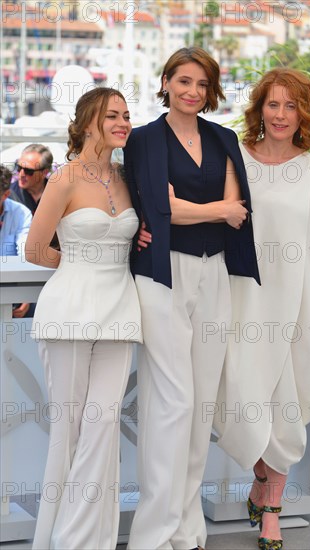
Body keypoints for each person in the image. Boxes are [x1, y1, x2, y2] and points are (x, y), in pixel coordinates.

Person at [123, 46, 260, 550]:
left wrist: (198, 209)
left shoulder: (223, 138)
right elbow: (162, 208)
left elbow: (237, 209)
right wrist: (211, 210)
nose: (192, 92)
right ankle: (154, 535)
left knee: (201, 403)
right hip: (163, 275)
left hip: (215, 275)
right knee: (173, 401)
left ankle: (187, 529)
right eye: (183, 81)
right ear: (165, 82)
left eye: (202, 85)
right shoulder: (142, 140)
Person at [214, 68, 310, 550]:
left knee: (286, 406)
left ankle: (272, 510)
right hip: (243, 301)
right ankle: (259, 479)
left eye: (290, 106)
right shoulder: (236, 161)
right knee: (240, 398)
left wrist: (307, 260)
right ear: (260, 110)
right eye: (272, 105)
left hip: (298, 306)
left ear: (304, 114)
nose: (280, 114)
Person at [25, 87, 142, 550]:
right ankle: (58, 540)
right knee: (69, 427)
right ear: (88, 121)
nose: (123, 122)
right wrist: (79, 263)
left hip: (121, 312)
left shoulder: (128, 176)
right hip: (69, 313)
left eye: (127, 115)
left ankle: (87, 539)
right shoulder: (64, 178)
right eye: (113, 115)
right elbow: (35, 249)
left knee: (103, 423)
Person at [0, 163, 33, 317]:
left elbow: (24, 255)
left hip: (11, 284)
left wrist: (26, 297)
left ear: (5, 195)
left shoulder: (21, 213)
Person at [11, 143, 53, 214]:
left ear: (44, 173)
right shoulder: (8, 196)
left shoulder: (57, 195)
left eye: (28, 171)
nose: (21, 174)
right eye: (19, 167)